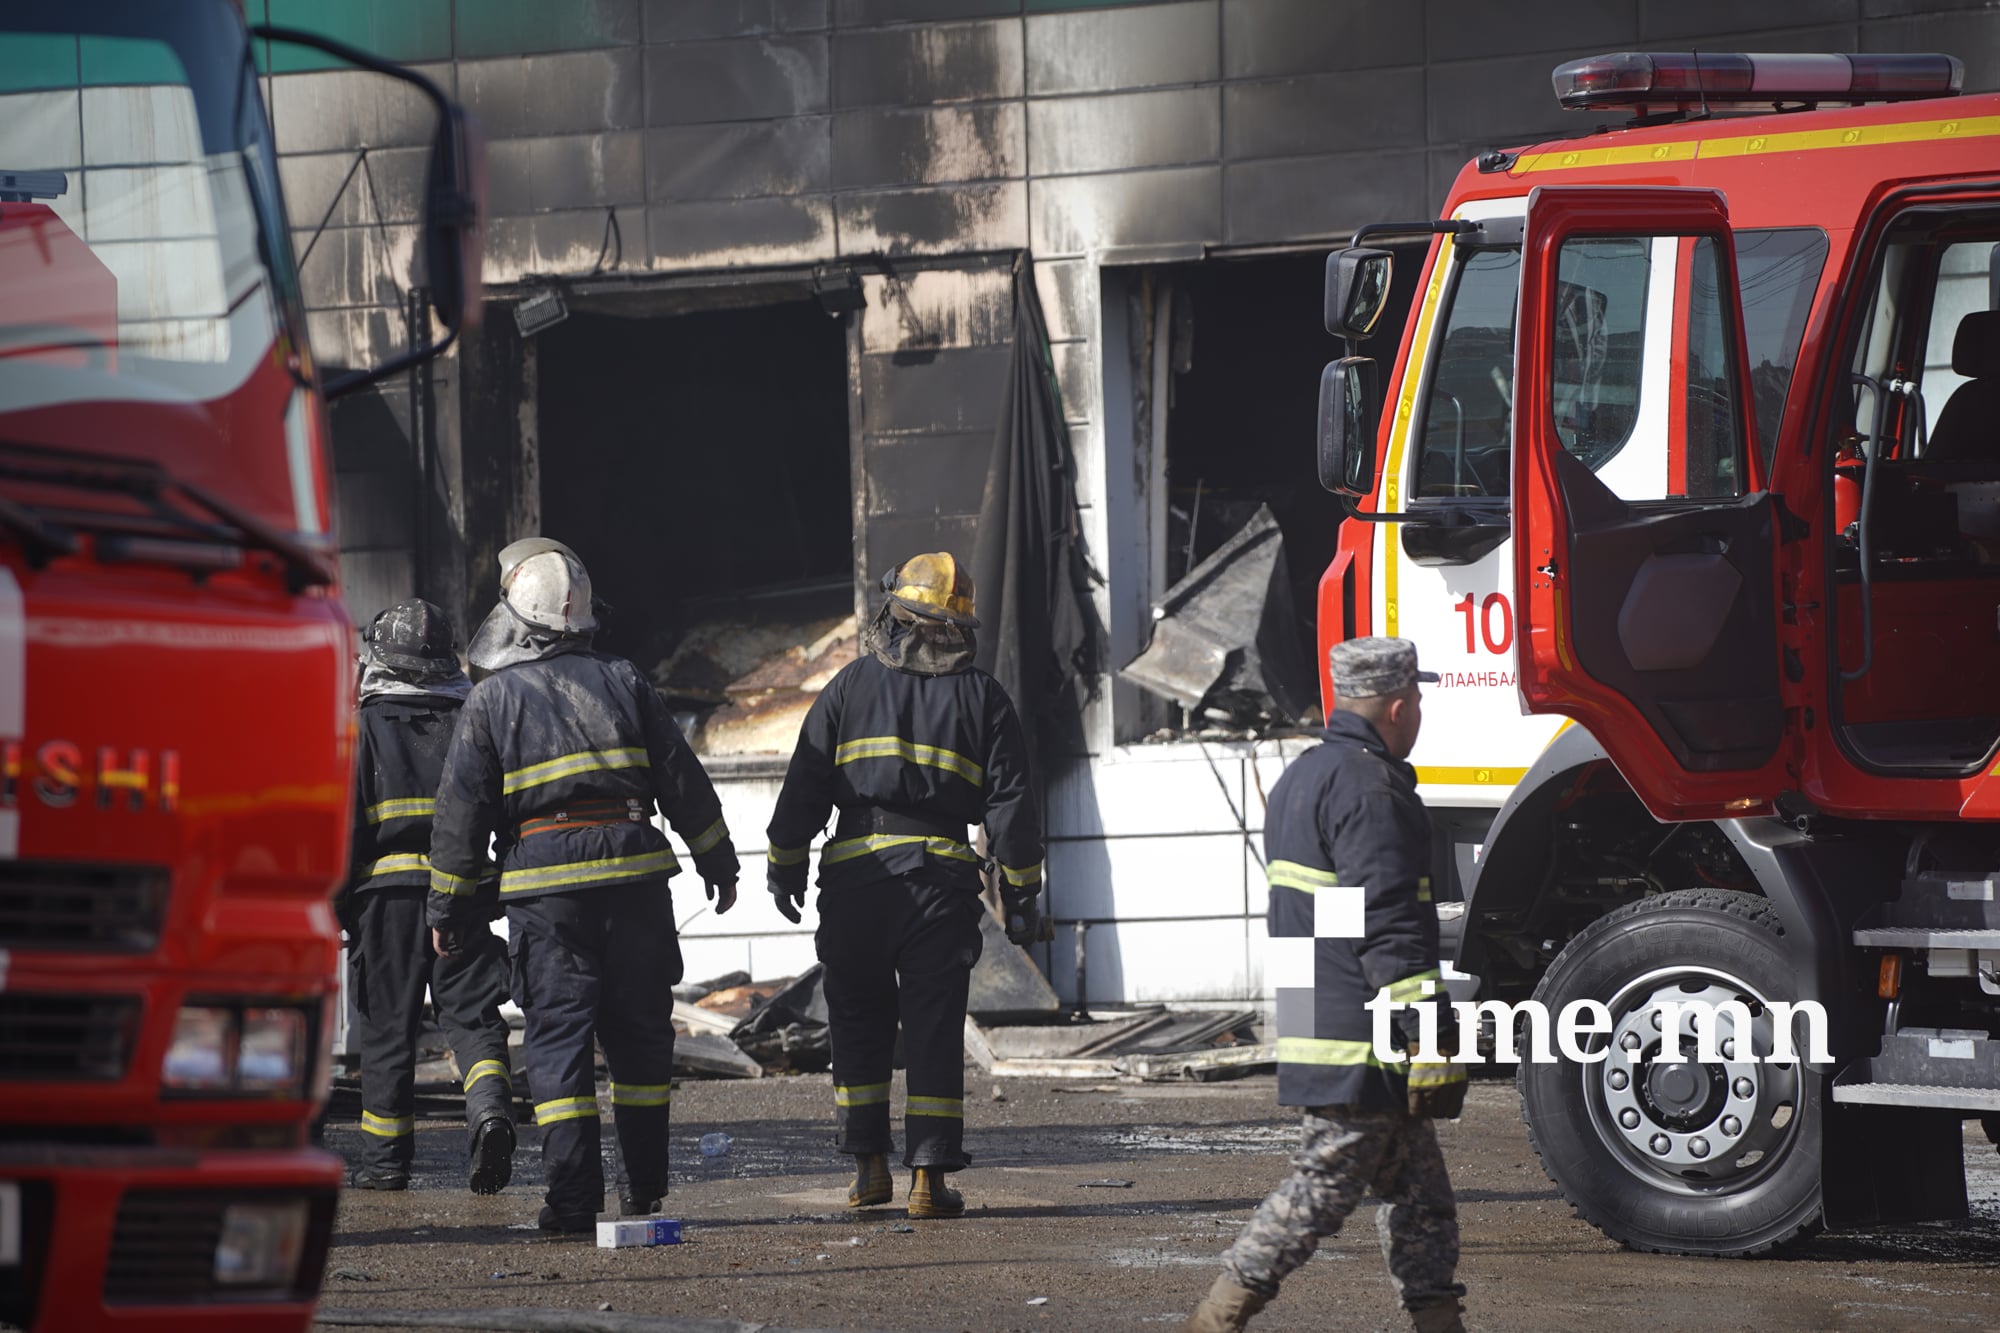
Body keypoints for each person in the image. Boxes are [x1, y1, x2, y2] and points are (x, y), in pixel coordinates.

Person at [428, 538, 740, 1232]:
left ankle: (572, 1203)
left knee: (558, 1045)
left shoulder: (492, 701)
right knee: (639, 1043)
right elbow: (682, 780)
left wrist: (447, 906)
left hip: (549, 897)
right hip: (636, 883)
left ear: (518, 619)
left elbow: (460, 817)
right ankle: (643, 1195)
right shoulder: (627, 680)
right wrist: (720, 861)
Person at [1185, 637, 1469, 1333]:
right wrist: (1426, 1033)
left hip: (1324, 1010)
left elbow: (1336, 913)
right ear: (1399, 706)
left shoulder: (1304, 775)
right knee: (1324, 1184)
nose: (1422, 712)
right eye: (1420, 701)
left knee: (1422, 1197)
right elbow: (1386, 920)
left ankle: (1439, 1321)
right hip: (1358, 1025)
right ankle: (1215, 1317)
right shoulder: (1370, 786)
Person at [765, 552, 1044, 1219]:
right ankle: (929, 1179)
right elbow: (1011, 803)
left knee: (857, 1019)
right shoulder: (985, 697)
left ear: (896, 614)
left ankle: (868, 1169)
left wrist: (785, 864)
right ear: (958, 628)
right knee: (933, 1026)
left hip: (856, 882)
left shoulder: (849, 686)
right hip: (939, 887)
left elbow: (803, 785)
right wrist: (1023, 889)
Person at [337, 598, 515, 1195]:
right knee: (472, 1016)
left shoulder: (361, 730)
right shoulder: (476, 722)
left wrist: (341, 908)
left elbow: (343, 832)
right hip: (463, 893)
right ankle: (490, 1111)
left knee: (388, 1030)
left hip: (385, 902)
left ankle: (385, 1165)